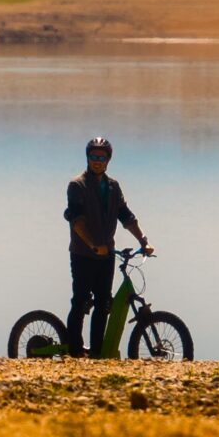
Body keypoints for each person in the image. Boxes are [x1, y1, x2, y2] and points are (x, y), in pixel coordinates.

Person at [64, 136, 152, 357]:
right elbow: (77, 221)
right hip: (83, 254)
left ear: (108, 160)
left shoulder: (113, 187)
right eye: (94, 156)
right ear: (87, 157)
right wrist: (93, 245)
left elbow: (126, 216)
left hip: (106, 255)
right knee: (81, 301)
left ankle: (97, 353)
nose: (97, 161)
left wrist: (143, 241)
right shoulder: (77, 185)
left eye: (102, 157)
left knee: (104, 302)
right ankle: (74, 351)